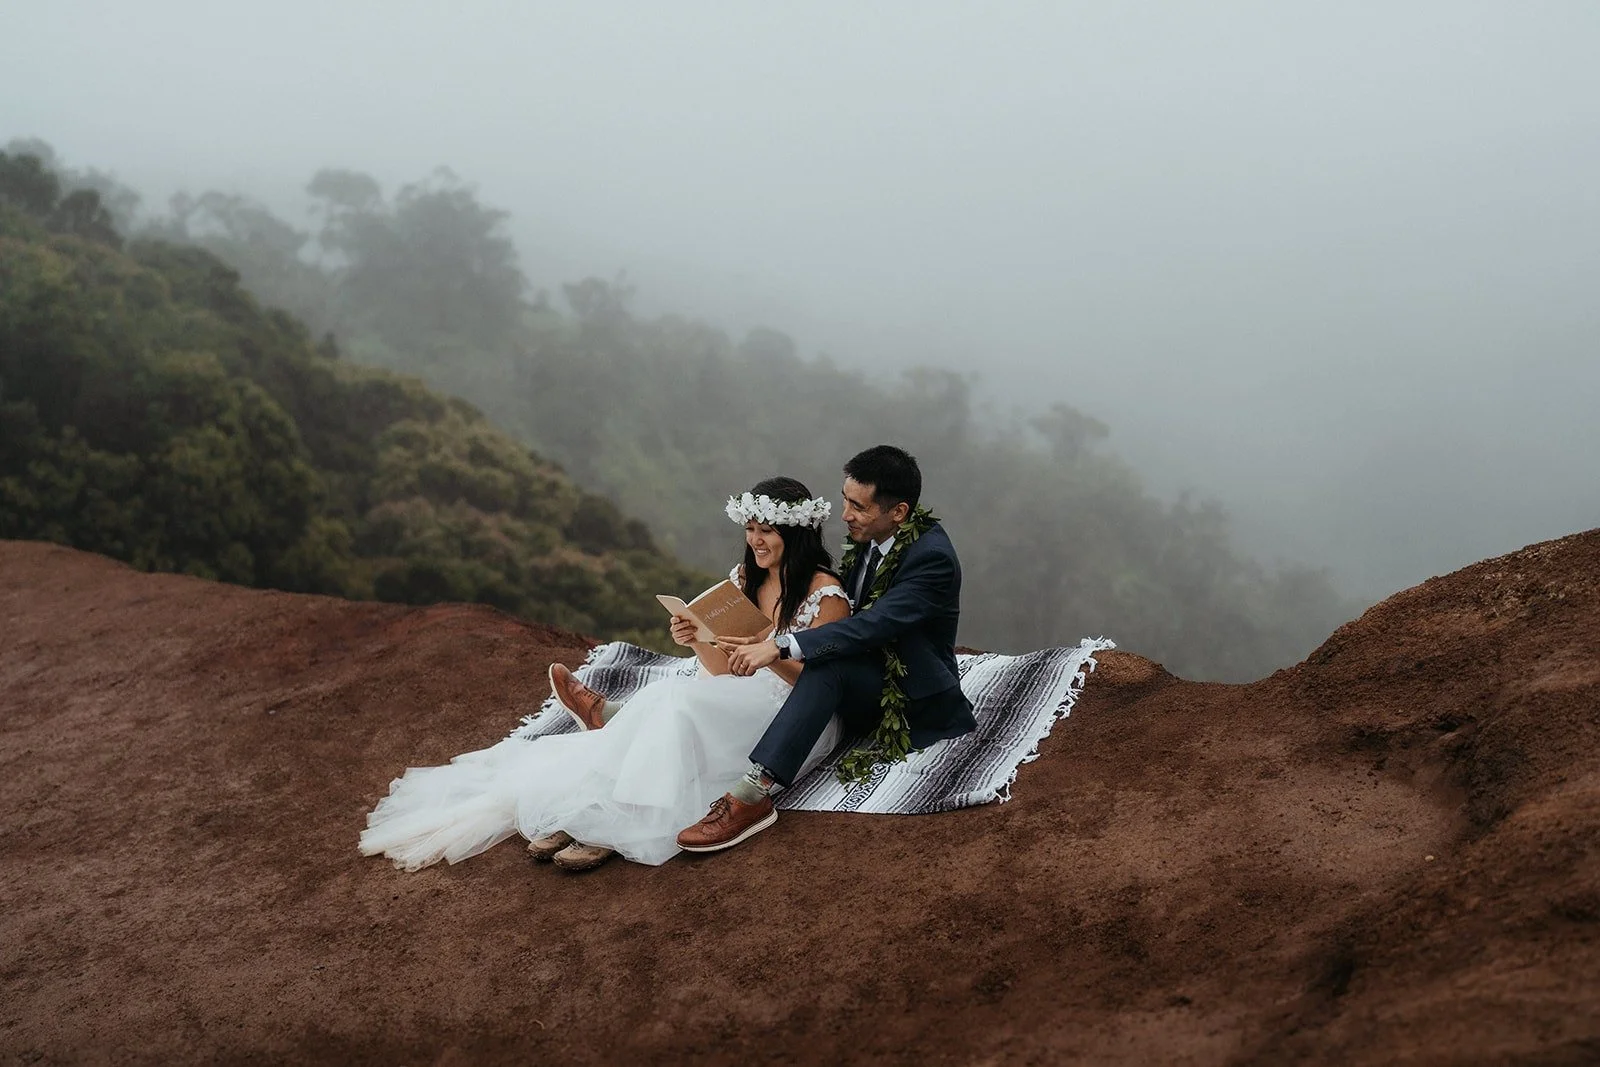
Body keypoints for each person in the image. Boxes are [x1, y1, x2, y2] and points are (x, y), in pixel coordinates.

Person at [359, 476, 849, 872]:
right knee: (669, 706)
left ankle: (614, 820)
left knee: (672, 705)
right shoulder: (745, 579)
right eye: (750, 528)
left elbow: (820, 688)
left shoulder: (825, 596)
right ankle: (591, 808)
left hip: (786, 709)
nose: (755, 541)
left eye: (767, 531)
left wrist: (769, 654)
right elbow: (720, 667)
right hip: (734, 687)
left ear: (796, 532)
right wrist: (696, 638)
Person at [674, 444, 977, 853]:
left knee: (823, 665)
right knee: (819, 661)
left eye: (858, 507)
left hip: (908, 695)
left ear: (899, 513)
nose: (846, 515)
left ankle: (755, 792)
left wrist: (781, 646)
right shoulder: (870, 539)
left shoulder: (932, 559)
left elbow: (874, 624)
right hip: (859, 674)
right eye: (845, 501)